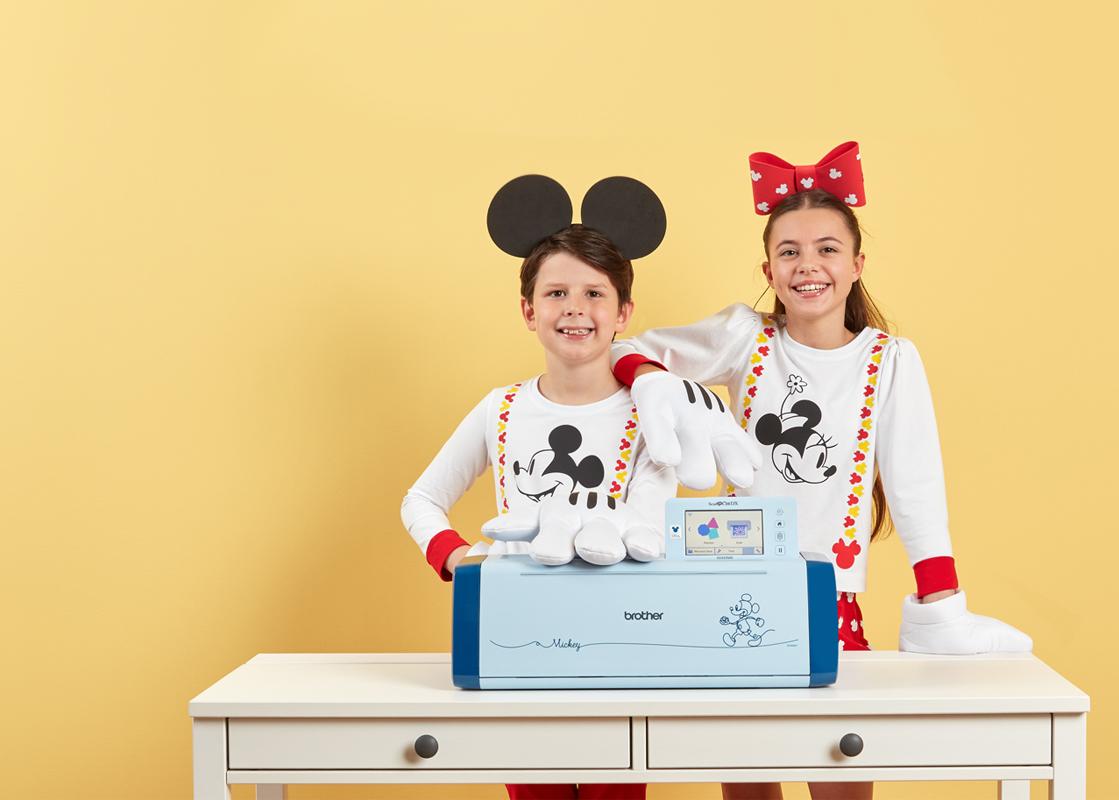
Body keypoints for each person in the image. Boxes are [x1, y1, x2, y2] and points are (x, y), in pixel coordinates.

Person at [609, 144, 1033, 800]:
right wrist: (659, 389)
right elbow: (628, 347)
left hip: (829, 601)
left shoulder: (889, 361)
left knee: (840, 774)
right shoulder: (743, 338)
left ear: (858, 264)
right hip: (736, 593)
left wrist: (941, 602)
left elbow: (917, 483)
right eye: (789, 251)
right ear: (768, 268)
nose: (808, 266)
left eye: (828, 249)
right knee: (749, 780)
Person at [401, 175, 679, 800]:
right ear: (529, 311)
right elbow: (420, 499)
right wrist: (460, 558)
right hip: (517, 641)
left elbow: (652, 526)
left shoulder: (651, 417)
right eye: (555, 293)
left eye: (594, 293)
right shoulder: (500, 409)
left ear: (624, 313)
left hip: (624, 644)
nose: (574, 308)